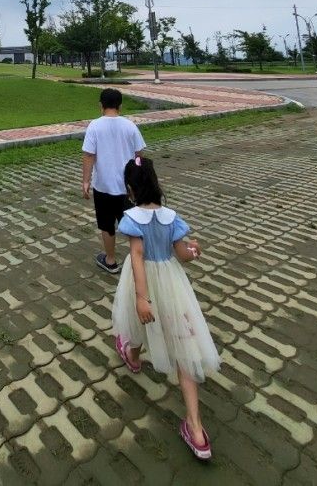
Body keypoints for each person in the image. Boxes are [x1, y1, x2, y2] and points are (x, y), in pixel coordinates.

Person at [111, 156, 220, 461]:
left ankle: (132, 356)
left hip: (142, 282)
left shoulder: (132, 217)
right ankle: (196, 429)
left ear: (131, 189)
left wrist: (142, 297)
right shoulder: (171, 216)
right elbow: (183, 255)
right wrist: (194, 251)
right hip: (172, 284)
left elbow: (137, 254)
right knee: (183, 348)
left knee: (136, 321)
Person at [82, 86, 146, 274]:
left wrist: (85, 181)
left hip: (103, 186)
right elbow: (139, 155)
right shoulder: (130, 126)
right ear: (120, 105)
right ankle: (139, 260)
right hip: (128, 188)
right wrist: (138, 177)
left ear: (100, 105)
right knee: (133, 224)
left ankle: (110, 260)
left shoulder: (94, 125)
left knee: (107, 224)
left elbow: (88, 155)